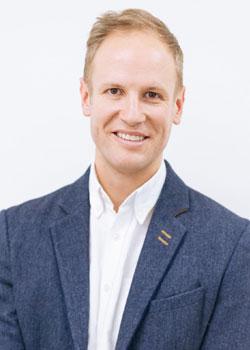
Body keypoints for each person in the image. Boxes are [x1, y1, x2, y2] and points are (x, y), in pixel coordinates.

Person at [0, 8, 250, 350]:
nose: (133, 115)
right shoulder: (14, 235)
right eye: (115, 91)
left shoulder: (233, 245)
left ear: (177, 105)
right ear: (87, 97)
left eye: (152, 95)